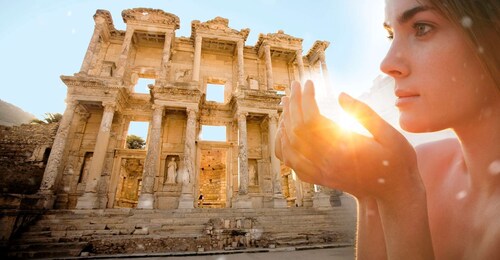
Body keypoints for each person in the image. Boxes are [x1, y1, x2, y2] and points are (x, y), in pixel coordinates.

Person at [275, 0, 499, 259]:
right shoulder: (422, 163)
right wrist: (371, 193)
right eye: (391, 35)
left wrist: (400, 195)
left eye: (422, 27)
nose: (387, 62)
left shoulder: (414, 171)